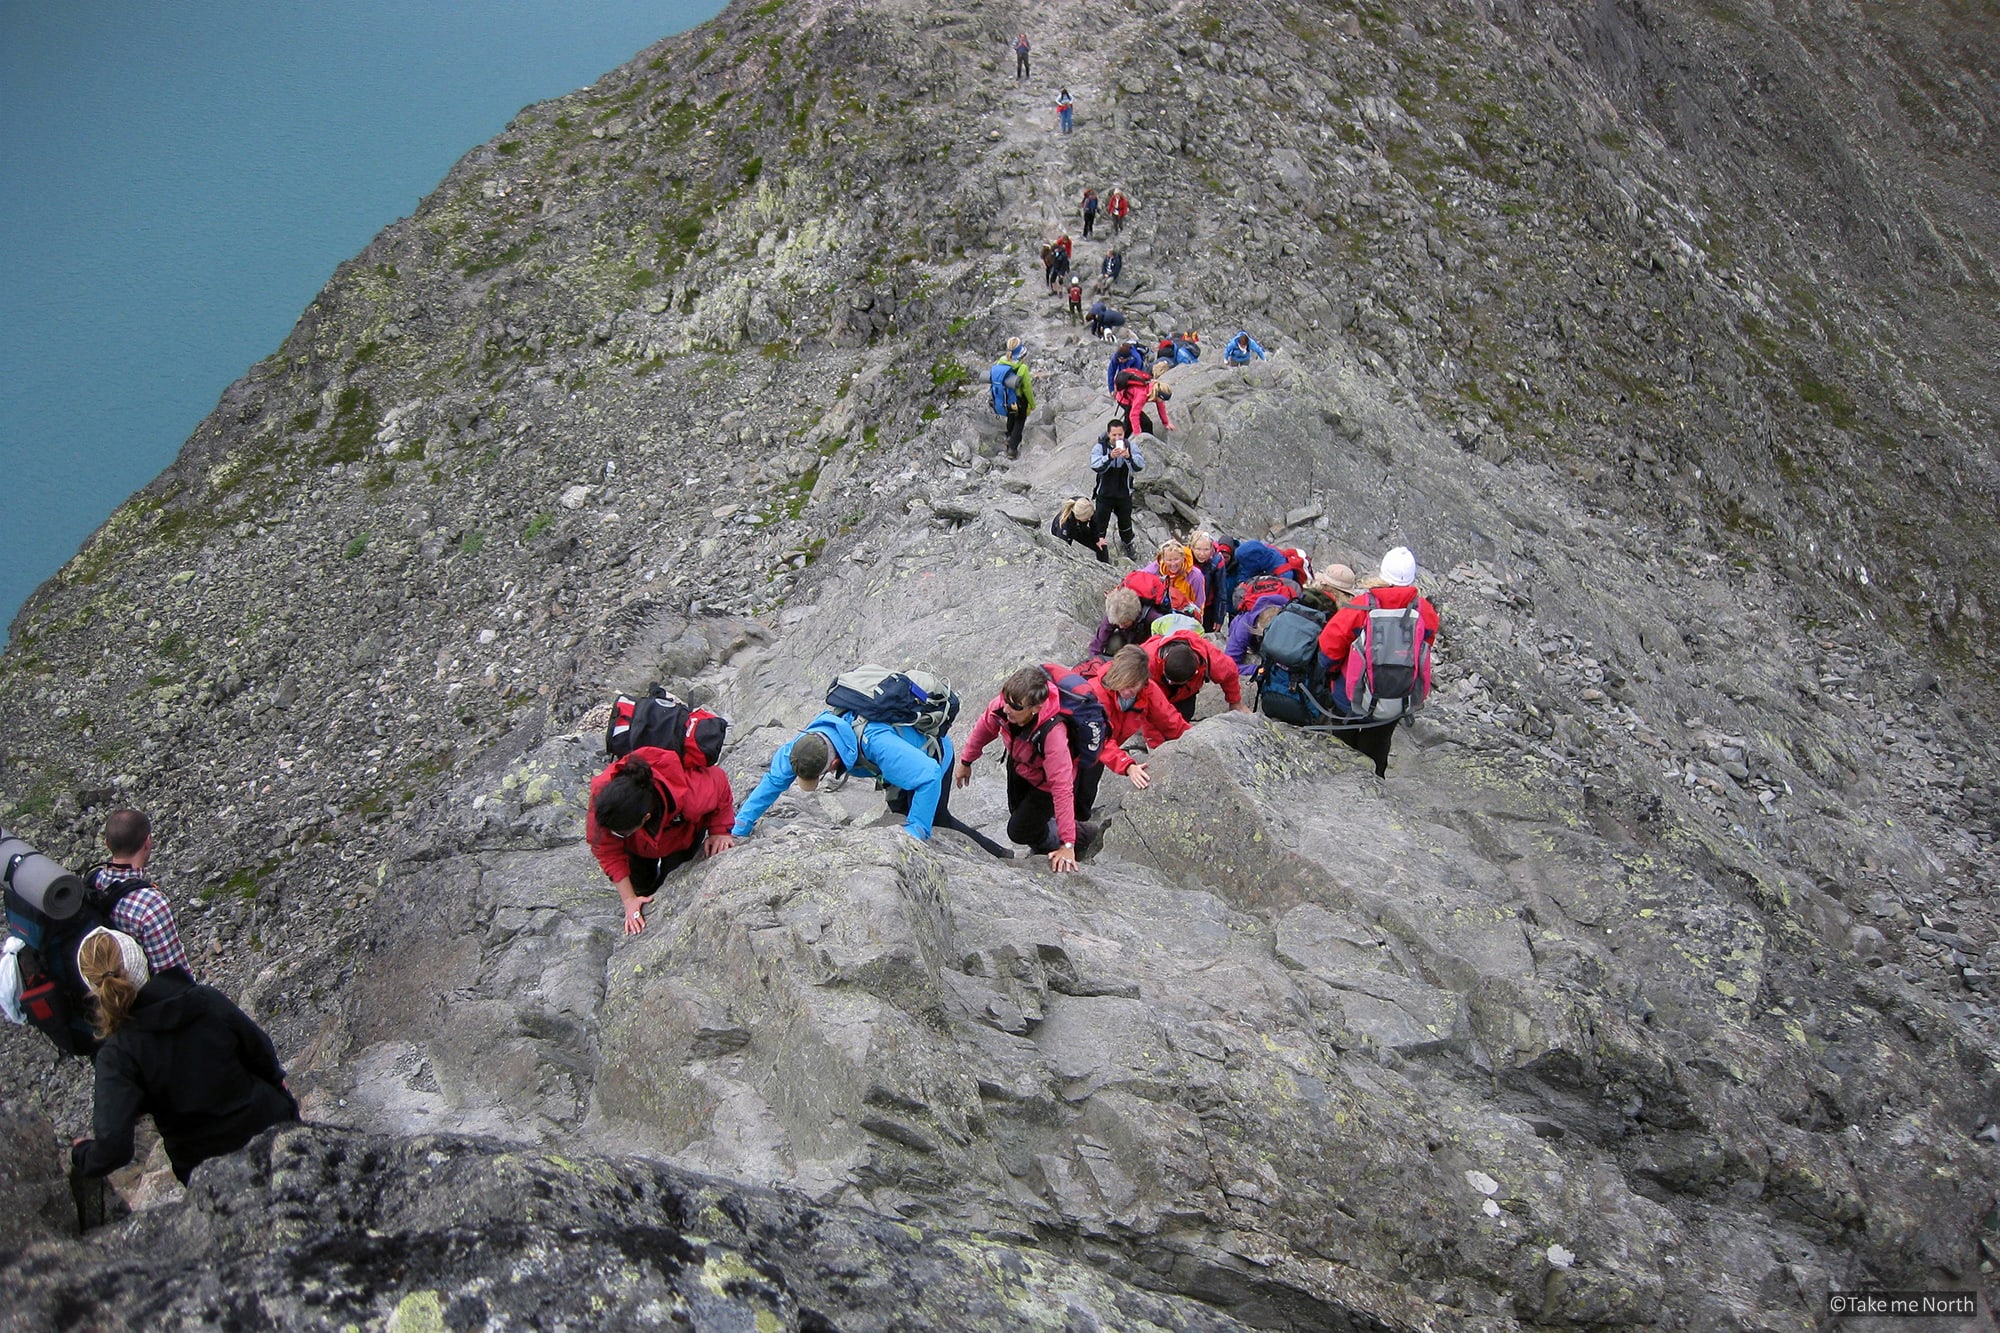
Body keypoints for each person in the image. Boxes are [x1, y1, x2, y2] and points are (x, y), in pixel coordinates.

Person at [69, 928, 298, 1187]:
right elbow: (261, 1052)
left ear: (93, 988)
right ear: (142, 961)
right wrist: (282, 1094)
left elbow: (114, 1147)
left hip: (210, 1170)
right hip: (272, 1129)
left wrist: (83, 1154)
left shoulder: (117, 1054)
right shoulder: (204, 998)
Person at [955, 667, 1102, 872]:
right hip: (1019, 766)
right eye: (1006, 700)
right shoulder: (1004, 705)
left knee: (1018, 831)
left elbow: (1061, 787)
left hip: (1045, 785)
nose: (1006, 708)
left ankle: (1079, 835)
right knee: (1019, 815)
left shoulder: (1053, 734)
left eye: (1015, 706)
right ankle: (1048, 835)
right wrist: (966, 761)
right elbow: (985, 727)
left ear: (1036, 708)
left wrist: (1067, 844)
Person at [733, 712, 953, 844]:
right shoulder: (806, 746)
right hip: (897, 769)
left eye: (821, 776)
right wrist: (739, 827)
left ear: (834, 763)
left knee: (938, 822)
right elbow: (773, 781)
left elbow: (929, 775)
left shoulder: (876, 742)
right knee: (899, 812)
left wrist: (917, 831)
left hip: (933, 755)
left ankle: (988, 853)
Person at [1317, 548, 1441, 777]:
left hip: (1351, 694)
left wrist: (1332, 673)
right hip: (1398, 695)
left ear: (1383, 573)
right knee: (1379, 741)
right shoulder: (1424, 610)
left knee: (1342, 739)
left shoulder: (1361, 606)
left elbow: (1329, 646)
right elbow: (1426, 644)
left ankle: (1341, 778)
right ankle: (1375, 781)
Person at [587, 747, 735, 935]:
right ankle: (645, 892)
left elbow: (719, 781)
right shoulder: (605, 799)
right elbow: (606, 849)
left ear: (646, 818)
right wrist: (629, 900)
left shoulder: (692, 796)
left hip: (682, 838)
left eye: (621, 833)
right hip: (637, 847)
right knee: (641, 883)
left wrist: (720, 830)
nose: (615, 835)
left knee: (674, 882)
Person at [82, 809, 193, 981]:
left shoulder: (92, 881)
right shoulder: (151, 904)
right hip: (144, 998)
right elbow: (175, 976)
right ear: (148, 842)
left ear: (106, 843)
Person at [1077, 647, 1188, 788]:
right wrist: (1128, 766)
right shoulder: (1095, 693)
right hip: (1079, 747)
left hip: (1103, 749)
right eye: (1123, 684)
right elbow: (1099, 739)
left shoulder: (1148, 691)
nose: (1126, 691)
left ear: (1143, 681)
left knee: (1087, 792)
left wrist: (1194, 739)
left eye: (1133, 686)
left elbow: (1170, 720)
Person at [1145, 628, 1249, 735]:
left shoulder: (1213, 660)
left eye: (1175, 681)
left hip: (1185, 694)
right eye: (1168, 679)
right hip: (1156, 687)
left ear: (1194, 673)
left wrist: (1235, 702)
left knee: (1183, 717)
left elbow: (1230, 673)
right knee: (1158, 724)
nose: (1170, 682)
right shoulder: (1147, 661)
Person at [1089, 417, 1143, 557]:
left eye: (1120, 434)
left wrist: (1129, 457)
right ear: (1108, 434)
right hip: (1104, 494)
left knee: (1125, 522)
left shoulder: (1130, 446)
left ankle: (1127, 543)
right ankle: (1098, 544)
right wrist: (1109, 457)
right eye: (1114, 435)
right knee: (1100, 522)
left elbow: (1139, 466)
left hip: (1124, 493)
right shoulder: (1100, 447)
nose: (1117, 437)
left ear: (1124, 434)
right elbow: (1096, 466)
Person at [989, 342, 1035, 459]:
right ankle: (1012, 449)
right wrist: (1032, 403)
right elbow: (1027, 388)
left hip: (1005, 399)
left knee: (1011, 416)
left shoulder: (1000, 362)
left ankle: (1009, 437)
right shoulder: (1022, 367)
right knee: (1020, 421)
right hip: (1018, 400)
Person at [1189, 532, 1229, 632]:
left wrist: (1219, 618)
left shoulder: (1217, 560)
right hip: (1187, 606)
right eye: (1198, 549)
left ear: (1211, 548)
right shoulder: (1185, 559)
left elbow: (1221, 591)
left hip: (1208, 608)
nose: (1202, 554)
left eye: (1206, 549)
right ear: (1191, 548)